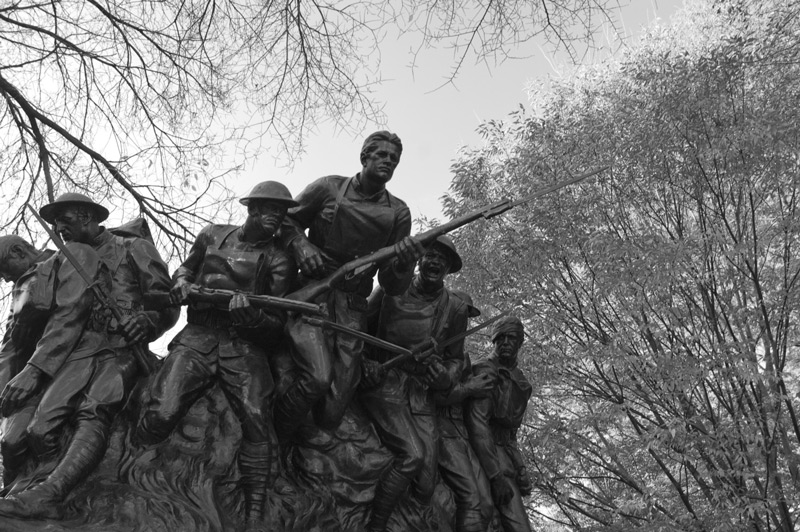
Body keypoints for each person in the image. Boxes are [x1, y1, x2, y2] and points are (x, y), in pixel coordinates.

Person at [135, 181, 297, 532]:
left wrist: (252, 319)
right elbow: (185, 269)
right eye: (270, 210)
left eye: (282, 213)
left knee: (257, 417)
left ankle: (254, 513)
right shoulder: (212, 235)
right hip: (198, 337)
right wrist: (180, 282)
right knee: (162, 411)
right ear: (252, 208)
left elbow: (277, 326)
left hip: (243, 346)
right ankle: (130, 468)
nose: (277, 218)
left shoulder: (281, 259)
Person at [276, 130, 424, 434]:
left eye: (394, 159)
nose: (388, 162)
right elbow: (286, 220)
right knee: (317, 378)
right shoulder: (328, 187)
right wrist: (301, 246)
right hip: (313, 292)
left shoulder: (399, 212)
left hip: (352, 307)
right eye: (382, 155)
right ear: (364, 157)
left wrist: (406, 264)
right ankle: (272, 435)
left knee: (332, 412)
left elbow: (392, 285)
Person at [360, 235, 469, 532]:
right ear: (420, 260)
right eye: (430, 256)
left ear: (448, 269)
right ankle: (376, 525)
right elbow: (360, 326)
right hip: (386, 380)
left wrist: (446, 377)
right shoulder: (392, 289)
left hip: (421, 393)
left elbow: (456, 359)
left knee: (425, 483)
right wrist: (365, 361)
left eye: (442, 260)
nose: (435, 263)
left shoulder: (456, 309)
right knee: (412, 456)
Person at [0, 234, 113, 517]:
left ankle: (51, 500)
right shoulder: (21, 285)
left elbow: (70, 314)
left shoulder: (70, 256)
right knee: (10, 442)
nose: (3, 278)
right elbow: (11, 345)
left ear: (17, 251)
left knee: (43, 430)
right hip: (36, 369)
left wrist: (34, 371)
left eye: (1, 268)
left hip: (78, 353)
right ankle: (15, 496)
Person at [465, 315, 533, 532]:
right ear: (493, 341)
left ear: (520, 342)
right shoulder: (484, 371)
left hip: (505, 458)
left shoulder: (522, 382)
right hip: (481, 453)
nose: (505, 342)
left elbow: (511, 435)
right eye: (499, 338)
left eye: (511, 338)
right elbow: (477, 424)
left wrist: (521, 467)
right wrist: (496, 477)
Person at [434, 291, 495, 532]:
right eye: (461, 313)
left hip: (463, 434)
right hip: (442, 429)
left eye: (467, 316)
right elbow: (434, 397)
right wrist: (469, 388)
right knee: (471, 499)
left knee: (487, 505)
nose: (464, 321)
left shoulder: (464, 359)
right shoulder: (435, 352)